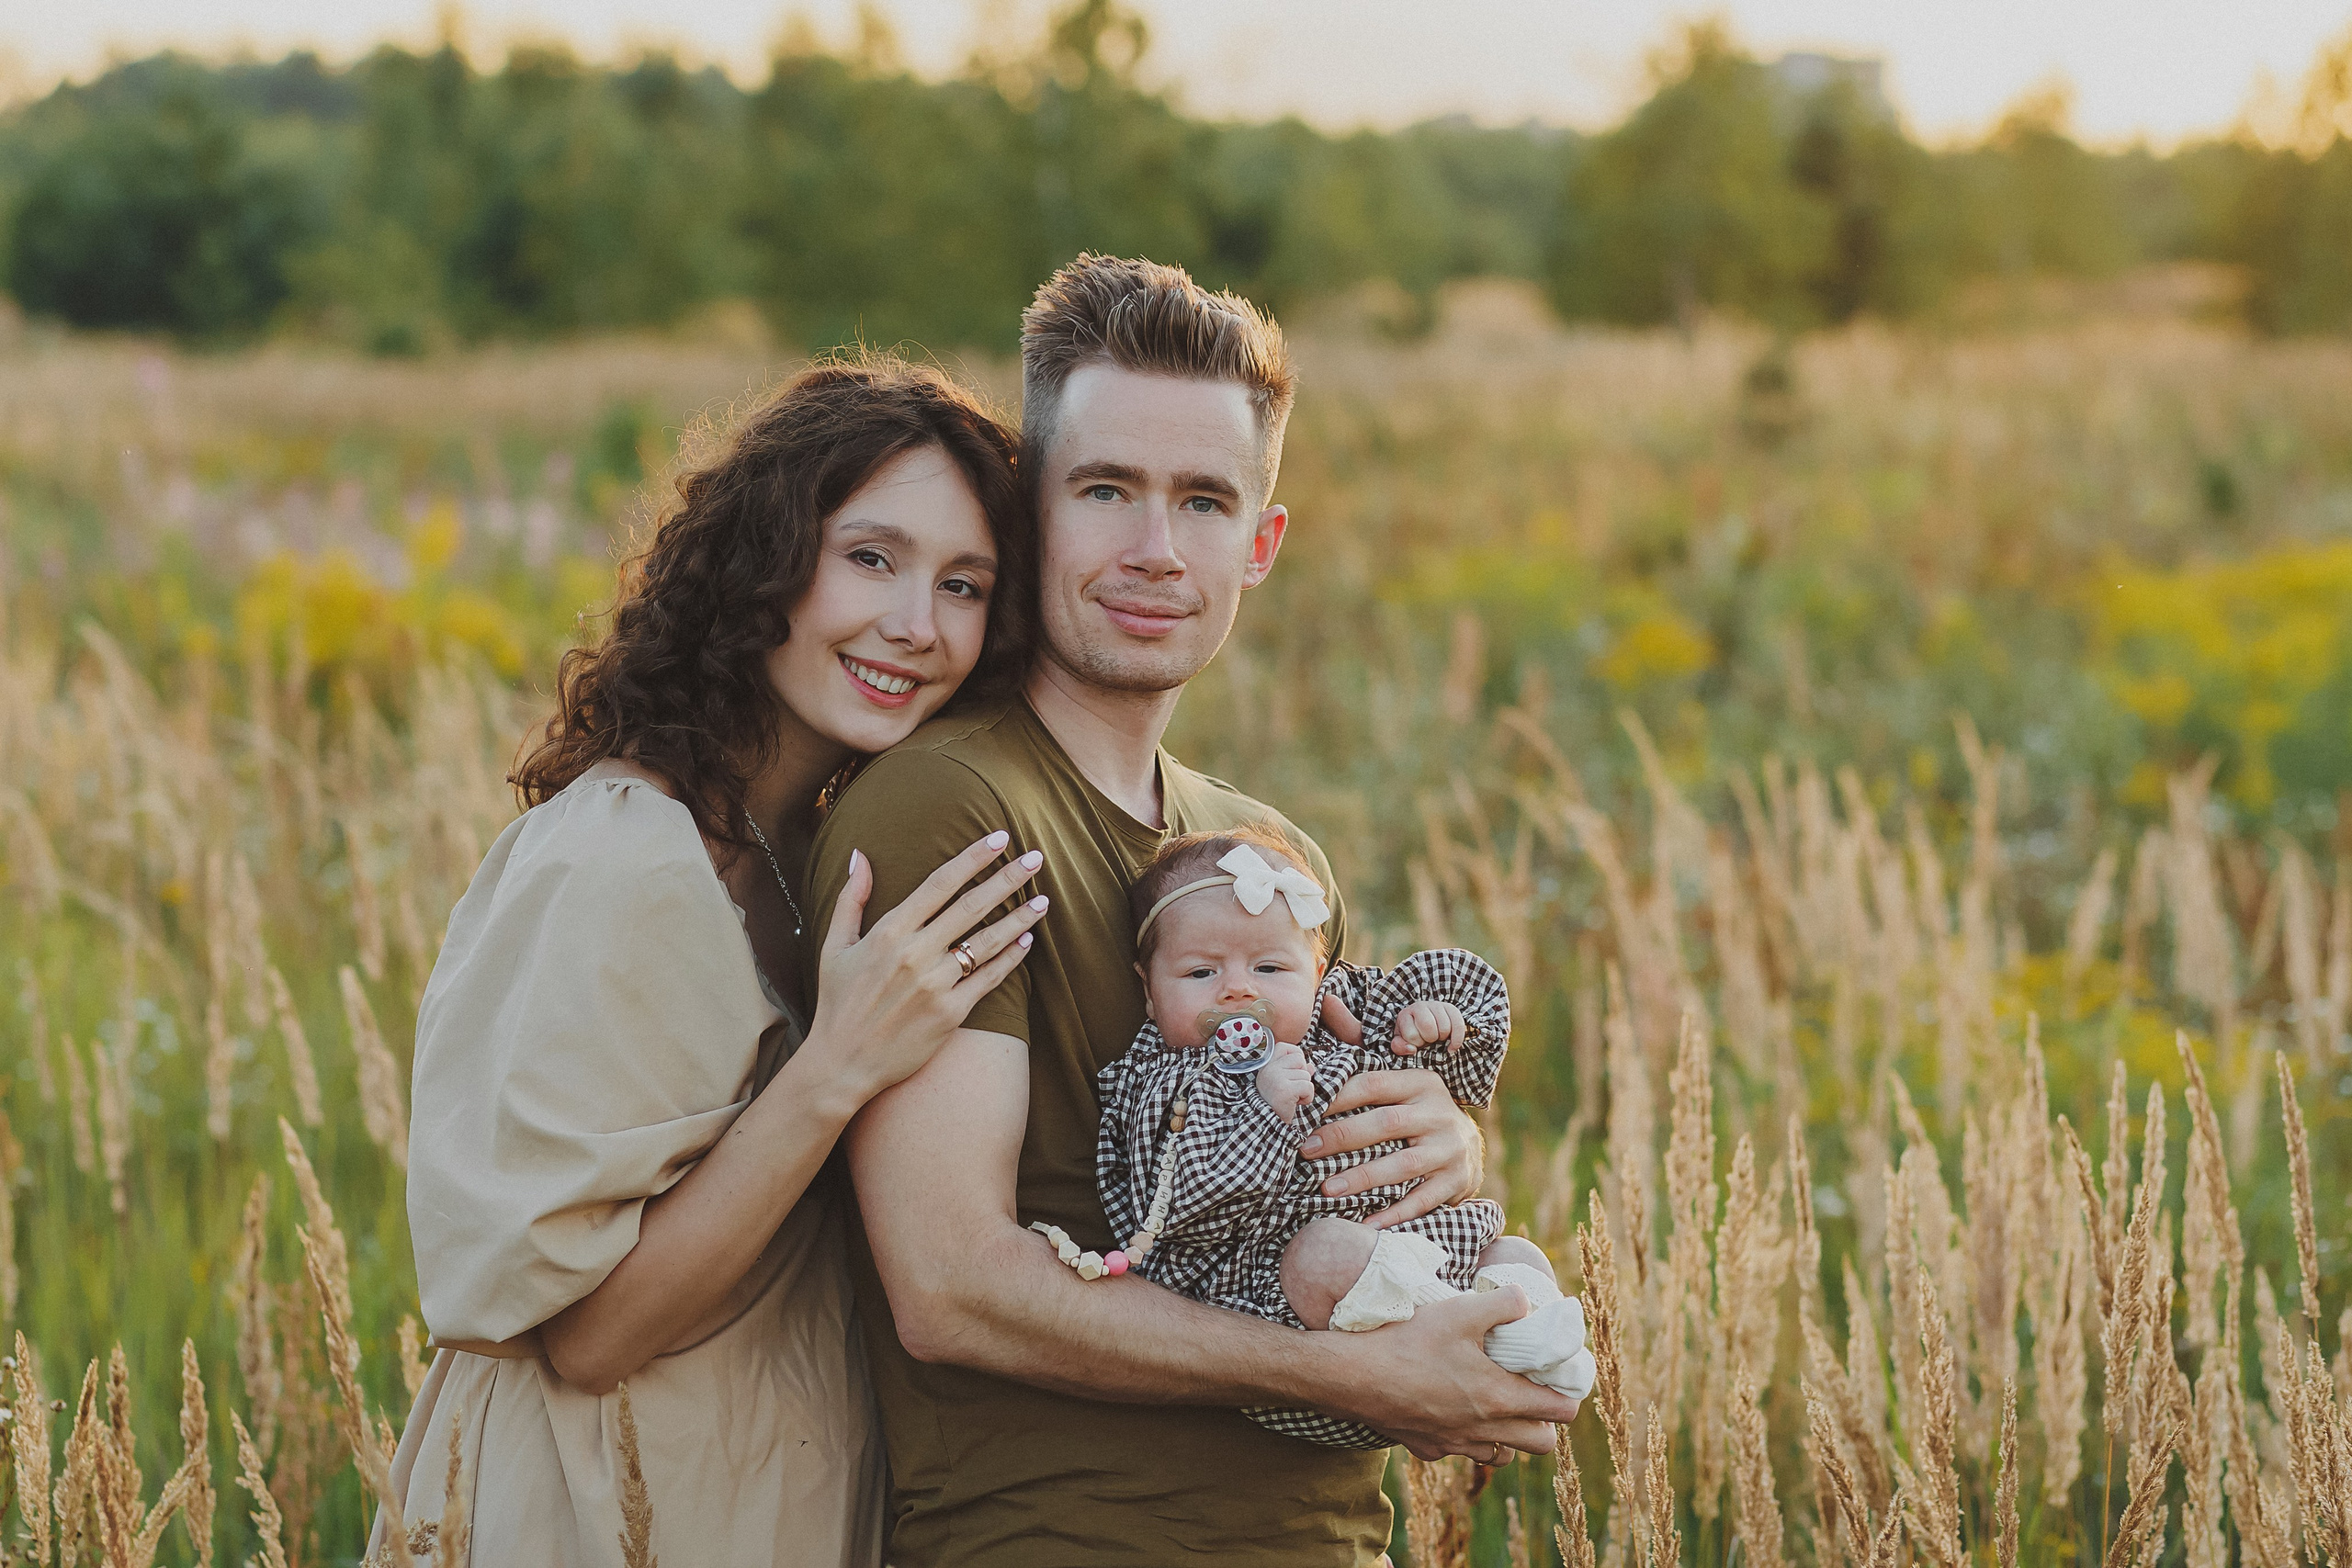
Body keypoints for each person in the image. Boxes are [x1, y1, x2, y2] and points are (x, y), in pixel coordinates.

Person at [807, 255, 1580, 1567]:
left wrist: (1423, 1144)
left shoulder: (1266, 850)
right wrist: (1357, 1376)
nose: (1156, 549)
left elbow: (1301, 1165)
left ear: (1259, 543)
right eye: (1106, 489)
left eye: (1204, 500)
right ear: (1032, 516)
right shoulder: (950, 804)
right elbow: (948, 1286)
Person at [379, 355, 1048, 1567]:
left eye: (965, 584)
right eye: (871, 557)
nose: (915, 623)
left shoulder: (810, 844)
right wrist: (835, 1065)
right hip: (592, 1513)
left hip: (757, 1500)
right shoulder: (620, 861)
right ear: (766, 562)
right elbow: (584, 1332)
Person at [1082, 829, 1597, 1452]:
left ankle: (1532, 1340)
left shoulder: (1340, 1014)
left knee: (1516, 1254)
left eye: (1270, 967)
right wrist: (1266, 1108)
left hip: (1417, 1248)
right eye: (1200, 971)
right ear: (1148, 988)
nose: (1238, 989)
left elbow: (1457, 1058)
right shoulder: (1166, 1083)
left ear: (1317, 972)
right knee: (1322, 1250)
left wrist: (1435, 1025)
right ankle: (1461, 1337)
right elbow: (1181, 1200)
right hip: (1287, 1312)